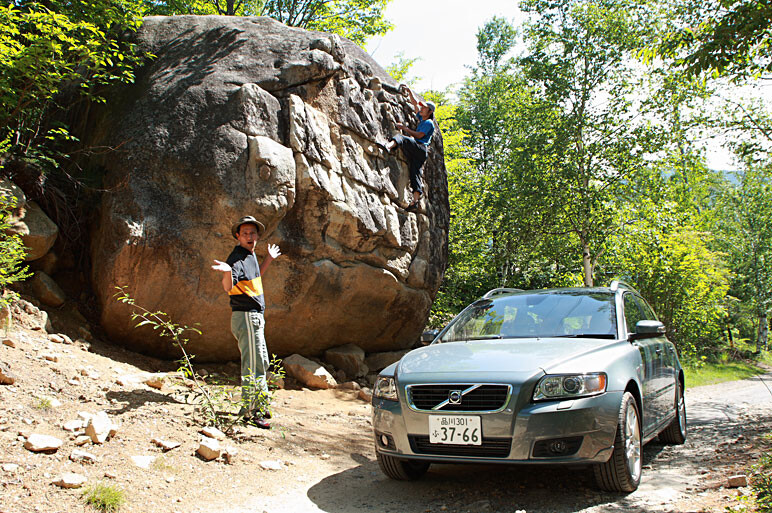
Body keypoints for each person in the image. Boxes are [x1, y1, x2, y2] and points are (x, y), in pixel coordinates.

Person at [211, 216, 280, 429]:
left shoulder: (250, 256)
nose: (250, 237)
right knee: (253, 365)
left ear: (257, 236)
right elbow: (228, 287)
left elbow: (256, 275)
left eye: (253, 233)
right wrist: (226, 272)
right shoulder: (237, 258)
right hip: (247, 316)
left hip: (254, 317)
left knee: (260, 361)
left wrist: (268, 258)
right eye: (245, 233)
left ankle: (260, 403)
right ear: (237, 236)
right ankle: (252, 411)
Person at [379, 84, 436, 212]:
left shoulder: (428, 123)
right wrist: (410, 91)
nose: (422, 109)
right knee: (415, 173)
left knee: (402, 137)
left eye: (425, 108)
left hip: (420, 147)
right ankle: (414, 201)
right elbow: (416, 105)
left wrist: (405, 129)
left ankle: (388, 146)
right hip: (421, 152)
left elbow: (419, 135)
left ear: (430, 111)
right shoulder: (423, 118)